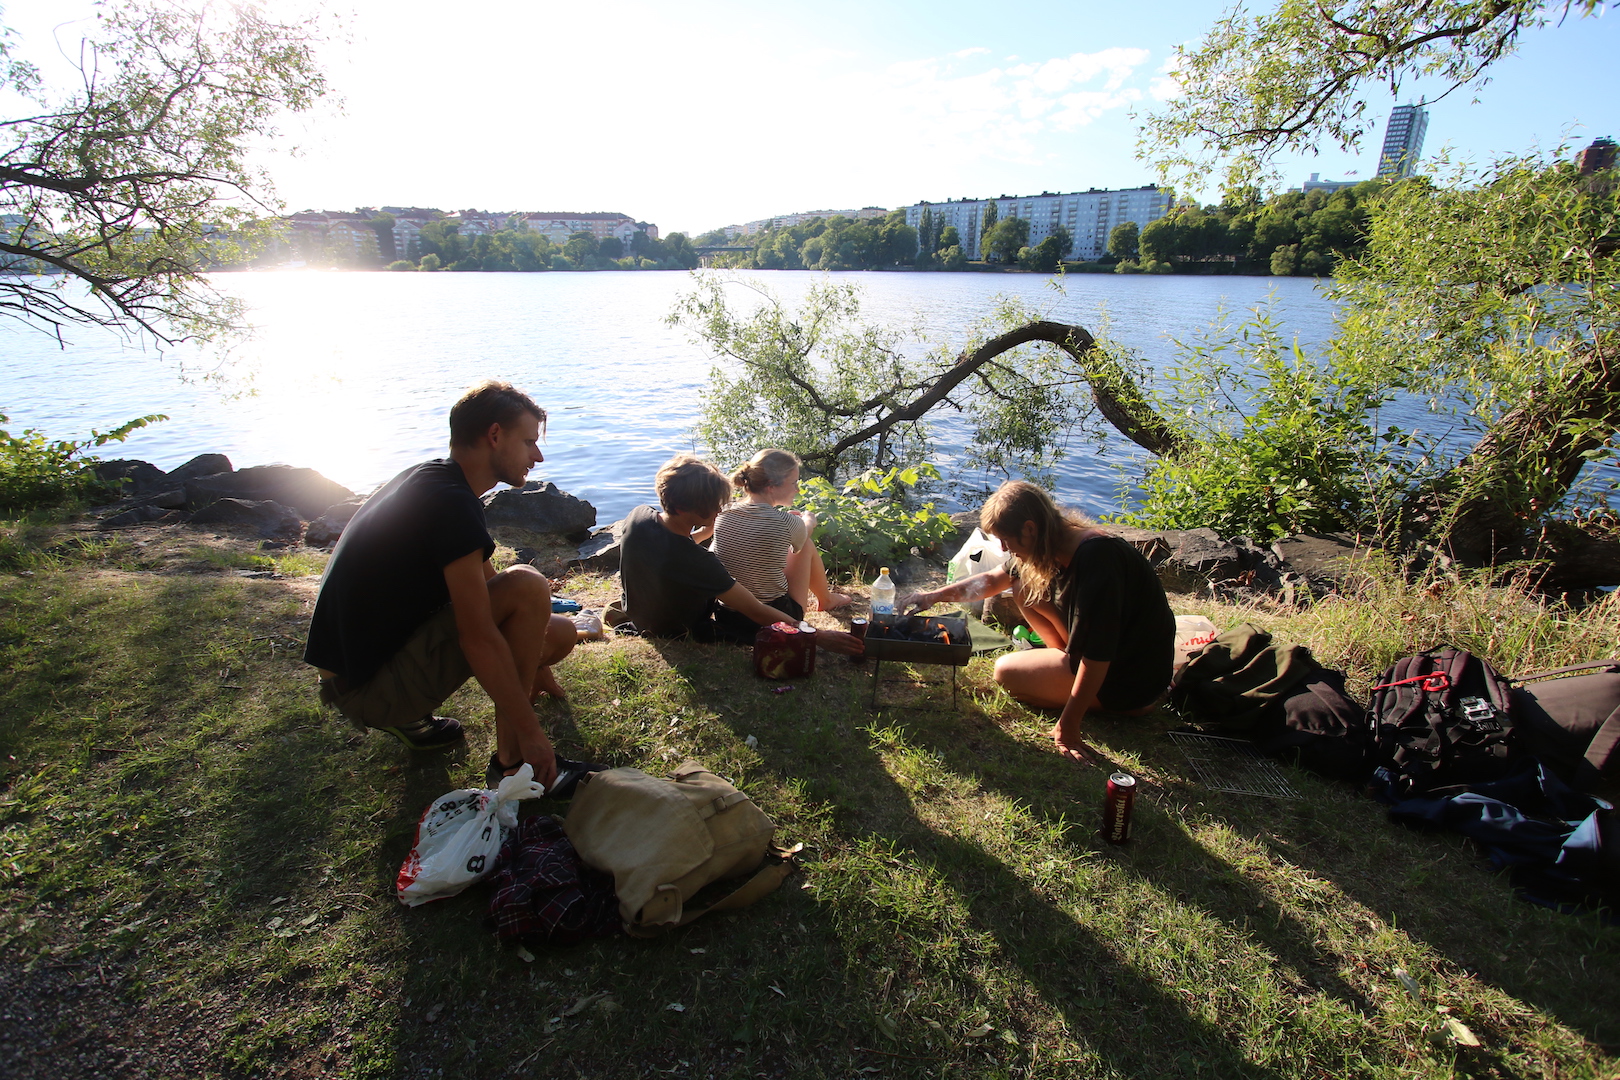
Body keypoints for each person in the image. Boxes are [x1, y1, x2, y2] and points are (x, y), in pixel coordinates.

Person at [304, 381, 580, 790]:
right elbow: (479, 636)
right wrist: (532, 732)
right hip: (365, 688)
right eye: (528, 442)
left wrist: (530, 658)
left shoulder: (436, 478)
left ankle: (413, 719)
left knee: (558, 630)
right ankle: (513, 765)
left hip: (360, 668)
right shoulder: (450, 503)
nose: (537, 457)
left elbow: (490, 585)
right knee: (528, 585)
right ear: (494, 436)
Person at [897, 480, 1174, 761]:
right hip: (1114, 662)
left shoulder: (1098, 559)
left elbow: (1098, 655)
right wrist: (934, 596)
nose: (1004, 549)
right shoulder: (1055, 542)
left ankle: (1106, 698)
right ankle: (1061, 662)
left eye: (1006, 540)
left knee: (1007, 672)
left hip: (1129, 681)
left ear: (1029, 528)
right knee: (1021, 583)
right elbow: (994, 579)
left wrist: (1069, 727)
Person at [614, 454, 864, 655]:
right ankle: (826, 597)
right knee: (803, 545)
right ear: (683, 508)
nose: (719, 510)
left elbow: (672, 546)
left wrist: (702, 532)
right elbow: (755, 609)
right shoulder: (699, 563)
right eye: (713, 506)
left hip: (642, 615)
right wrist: (817, 635)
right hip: (675, 630)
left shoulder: (638, 517)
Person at [710, 449, 852, 637]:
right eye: (793, 483)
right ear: (771, 486)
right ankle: (825, 599)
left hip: (728, 616)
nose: (798, 489)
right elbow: (805, 532)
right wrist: (808, 520)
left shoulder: (724, 513)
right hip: (776, 618)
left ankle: (826, 598)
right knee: (805, 543)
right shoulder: (785, 522)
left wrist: (792, 525)